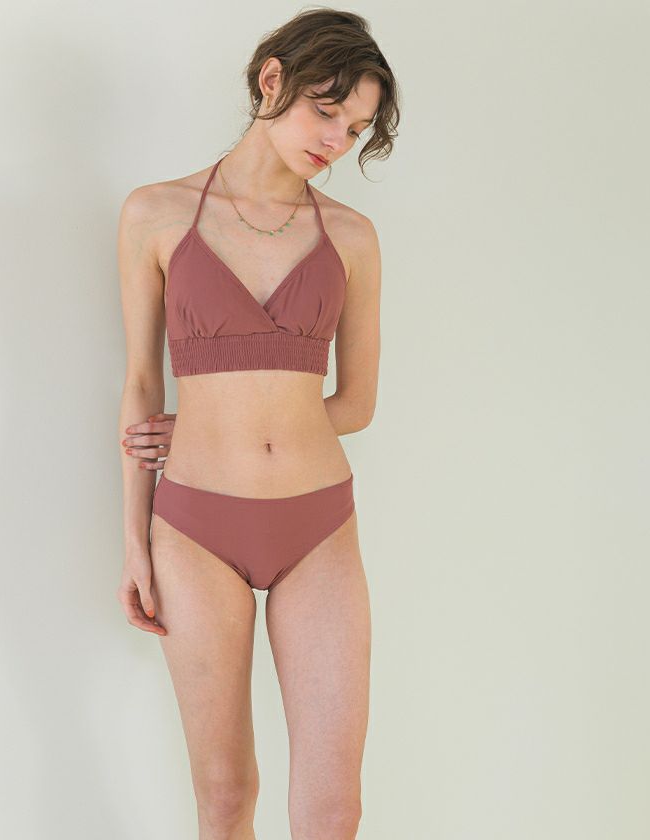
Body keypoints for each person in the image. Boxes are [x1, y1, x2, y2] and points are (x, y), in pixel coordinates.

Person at [116, 8, 400, 839]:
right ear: (272, 79)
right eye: (327, 110)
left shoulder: (352, 237)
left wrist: (246, 422)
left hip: (319, 527)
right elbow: (140, 385)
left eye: (356, 129)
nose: (336, 141)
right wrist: (134, 540)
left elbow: (357, 403)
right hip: (193, 531)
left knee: (334, 810)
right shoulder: (155, 214)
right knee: (225, 796)